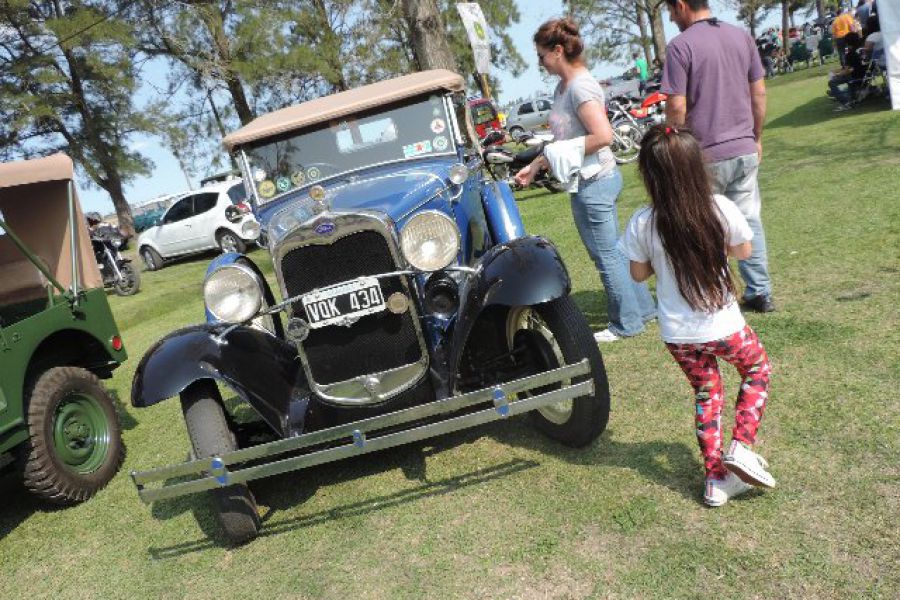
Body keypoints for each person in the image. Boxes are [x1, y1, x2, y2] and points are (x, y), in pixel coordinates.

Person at [622, 125, 776, 507]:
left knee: (707, 393)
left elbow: (638, 275)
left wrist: (663, 256)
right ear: (696, 165)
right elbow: (744, 250)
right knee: (757, 370)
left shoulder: (644, 221)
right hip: (723, 326)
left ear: (648, 173)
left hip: (678, 334)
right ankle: (740, 447)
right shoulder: (719, 207)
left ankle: (715, 480)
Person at [515, 17, 656, 342]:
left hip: (596, 182)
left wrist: (558, 154)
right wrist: (538, 164)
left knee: (606, 255)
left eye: (541, 55)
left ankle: (626, 324)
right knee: (614, 251)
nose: (540, 62)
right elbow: (563, 138)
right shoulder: (564, 87)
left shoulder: (580, 87)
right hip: (589, 180)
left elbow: (603, 135)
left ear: (558, 51)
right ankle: (644, 311)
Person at [661, 0, 776, 313]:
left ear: (682, 5)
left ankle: (714, 296)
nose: (671, 18)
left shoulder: (680, 47)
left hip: (704, 155)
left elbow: (676, 107)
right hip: (743, 147)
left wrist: (673, 148)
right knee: (749, 221)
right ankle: (760, 291)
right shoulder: (741, 37)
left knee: (703, 225)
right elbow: (759, 94)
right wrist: (757, 136)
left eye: (671, 11)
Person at [828, 32, 867, 110]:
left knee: (832, 82)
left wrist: (836, 75)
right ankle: (840, 94)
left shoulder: (850, 54)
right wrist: (839, 71)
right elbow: (854, 66)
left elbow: (846, 71)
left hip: (855, 77)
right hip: (866, 74)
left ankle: (846, 102)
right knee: (845, 77)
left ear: (847, 43)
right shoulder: (864, 49)